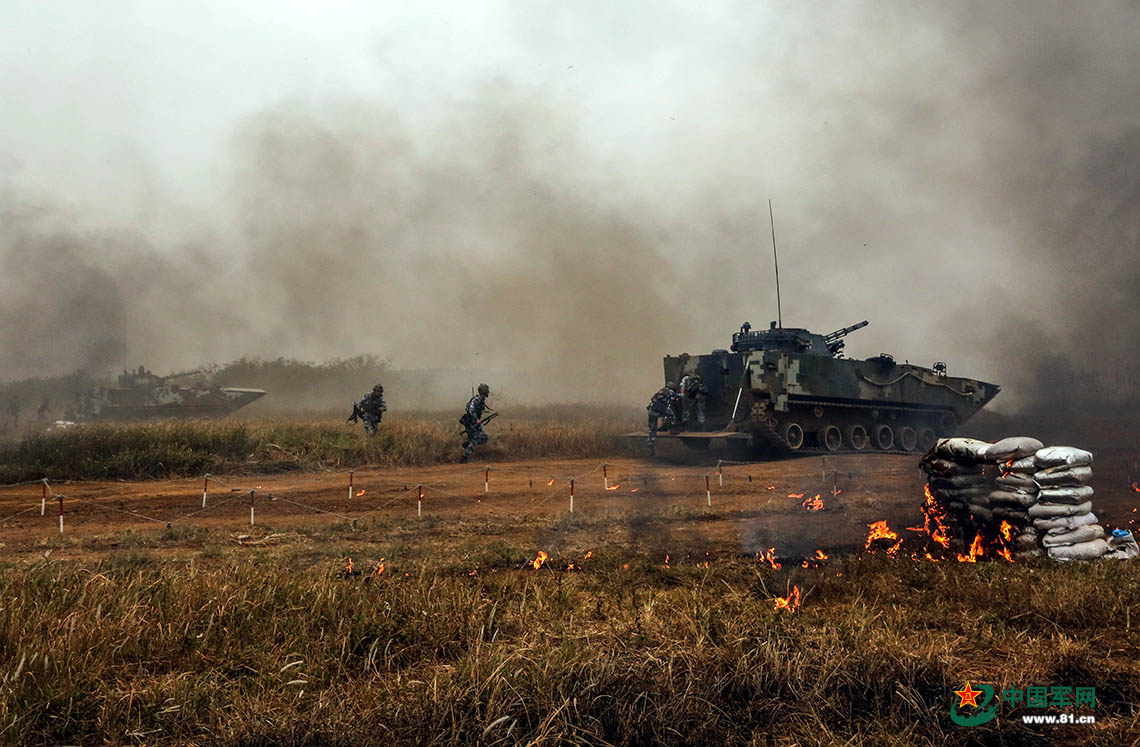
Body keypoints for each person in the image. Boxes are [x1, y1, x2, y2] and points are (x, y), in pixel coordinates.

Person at [460, 383, 494, 462]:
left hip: (474, 423)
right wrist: (476, 420)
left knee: (484, 438)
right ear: (484, 391)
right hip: (471, 422)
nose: (488, 392)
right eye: (487, 391)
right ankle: (464, 457)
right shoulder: (477, 400)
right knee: (476, 438)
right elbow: (471, 410)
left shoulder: (481, 400)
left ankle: (467, 444)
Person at [646, 382, 681, 456]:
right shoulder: (669, 391)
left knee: (652, 429)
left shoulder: (659, 392)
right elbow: (679, 396)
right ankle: (671, 429)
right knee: (671, 416)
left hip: (652, 410)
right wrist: (683, 395)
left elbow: (651, 401)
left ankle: (651, 442)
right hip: (661, 409)